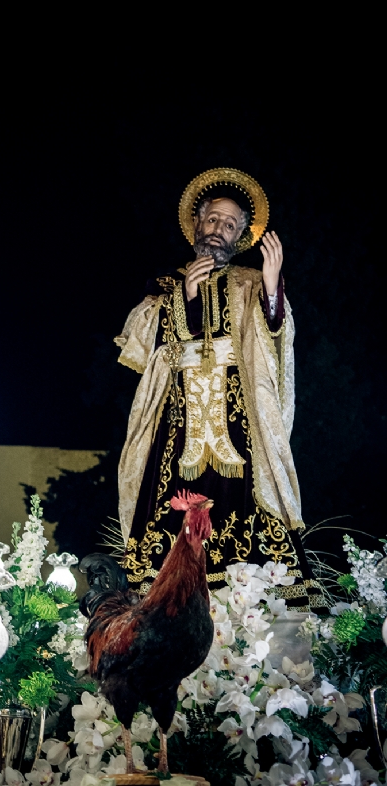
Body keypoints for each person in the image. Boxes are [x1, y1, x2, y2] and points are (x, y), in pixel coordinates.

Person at [115, 168, 325, 611]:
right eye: (213, 219)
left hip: (237, 419)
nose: (218, 229)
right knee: (168, 510)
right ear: (197, 223)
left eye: (230, 225)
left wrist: (272, 284)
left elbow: (275, 336)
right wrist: (186, 296)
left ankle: (250, 599)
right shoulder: (166, 284)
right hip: (179, 419)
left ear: (240, 236)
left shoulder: (249, 282)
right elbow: (140, 347)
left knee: (247, 503)